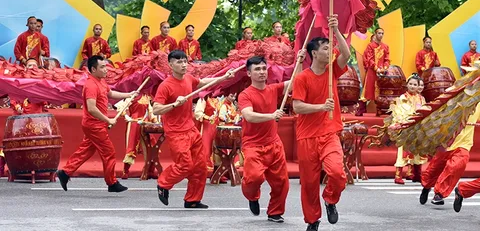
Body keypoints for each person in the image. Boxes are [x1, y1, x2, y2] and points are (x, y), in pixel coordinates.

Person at [152, 50, 236, 208]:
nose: (183, 65)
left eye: (185, 61)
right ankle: (163, 184)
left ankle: (192, 200)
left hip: (191, 130)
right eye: (179, 62)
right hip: (176, 133)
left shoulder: (189, 79)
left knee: (200, 166)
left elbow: (203, 83)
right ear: (170, 65)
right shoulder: (165, 86)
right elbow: (156, 109)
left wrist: (224, 77)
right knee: (185, 165)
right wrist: (173, 104)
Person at [292, 15, 351, 231]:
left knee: (337, 173)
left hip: (329, 133)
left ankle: (330, 199)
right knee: (308, 183)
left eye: (330, 47)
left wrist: (335, 30)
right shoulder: (302, 78)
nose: (330, 51)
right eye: (326, 48)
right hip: (307, 136)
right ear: (314, 53)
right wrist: (320, 108)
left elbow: (346, 53)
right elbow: (297, 107)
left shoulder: (332, 72)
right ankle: (312, 220)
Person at [238, 52, 305, 223]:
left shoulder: (273, 89)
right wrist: (271, 116)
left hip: (273, 143)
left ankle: (275, 212)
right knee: (254, 178)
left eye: (263, 68)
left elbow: (296, 82)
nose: (262, 72)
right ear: (249, 73)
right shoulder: (245, 94)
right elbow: (249, 116)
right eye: (257, 69)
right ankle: (252, 196)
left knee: (282, 182)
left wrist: (300, 61)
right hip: (253, 144)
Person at [56, 55, 134, 193]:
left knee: (86, 150)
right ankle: (112, 182)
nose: (106, 70)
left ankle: (66, 172)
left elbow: (110, 94)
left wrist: (128, 94)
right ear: (93, 69)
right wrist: (107, 120)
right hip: (94, 125)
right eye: (102, 67)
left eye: (106, 66)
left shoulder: (101, 81)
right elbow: (92, 108)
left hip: (96, 123)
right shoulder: (91, 85)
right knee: (109, 152)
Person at [420, 104, 480, 205]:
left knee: (456, 166)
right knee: (434, 169)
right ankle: (426, 186)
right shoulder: (452, 101)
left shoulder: (479, 106)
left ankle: (439, 194)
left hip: (464, 144)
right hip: (446, 142)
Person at [390, 75, 427, 184]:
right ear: (407, 85)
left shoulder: (421, 98)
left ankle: (416, 174)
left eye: (415, 84)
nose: (412, 86)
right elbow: (399, 112)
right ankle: (398, 175)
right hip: (406, 127)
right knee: (402, 152)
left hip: (417, 128)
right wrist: (406, 122)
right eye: (410, 84)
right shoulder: (402, 98)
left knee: (417, 152)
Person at [358, 28, 390, 116]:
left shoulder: (385, 47)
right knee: (368, 90)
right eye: (379, 33)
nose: (381, 35)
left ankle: (380, 110)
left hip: (382, 73)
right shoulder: (370, 46)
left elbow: (387, 59)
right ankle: (361, 109)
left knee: (380, 91)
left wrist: (385, 68)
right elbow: (370, 59)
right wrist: (376, 68)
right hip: (372, 72)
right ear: (375, 34)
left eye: (382, 33)